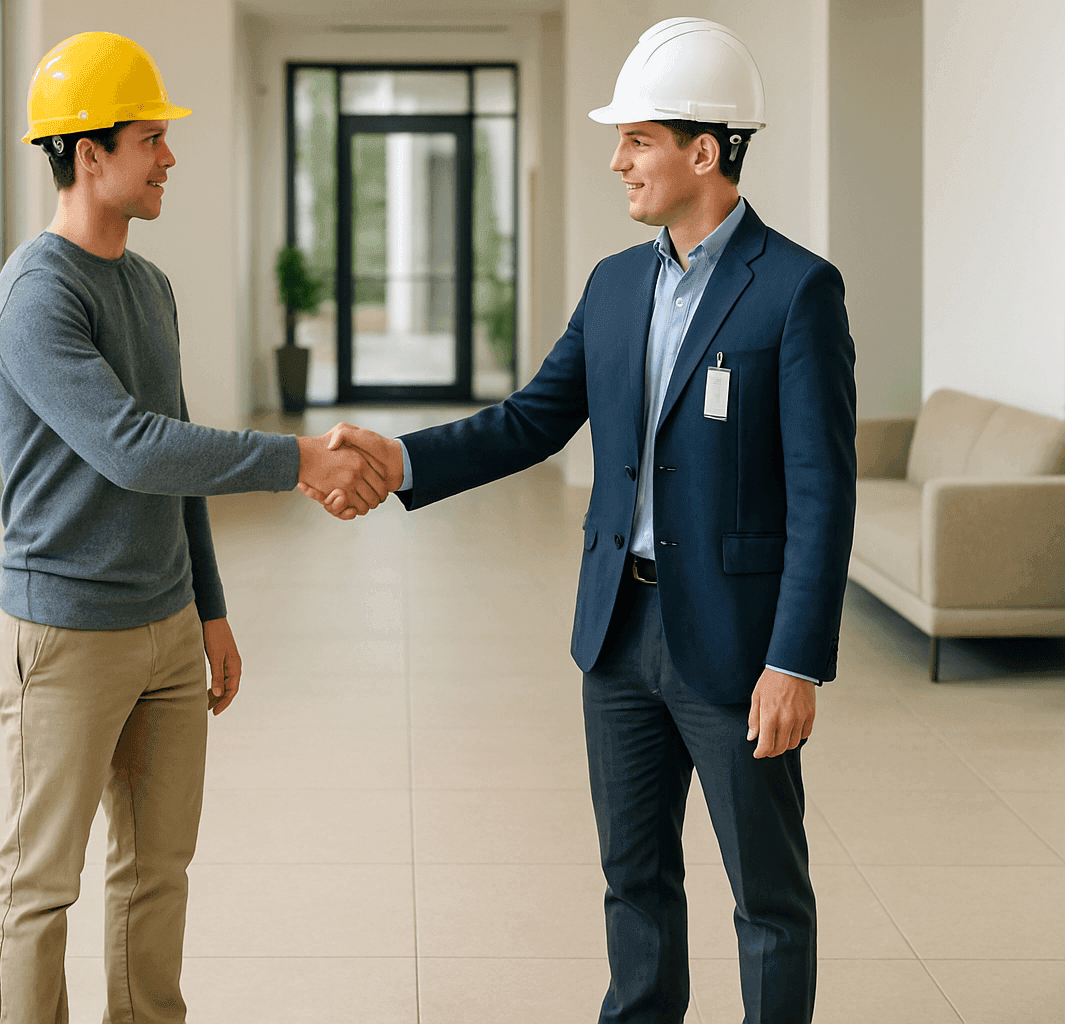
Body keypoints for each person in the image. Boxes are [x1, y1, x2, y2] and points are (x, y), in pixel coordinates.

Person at [311, 18, 856, 1023]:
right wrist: (402, 460)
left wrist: (797, 659)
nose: (617, 162)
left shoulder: (796, 291)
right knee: (633, 881)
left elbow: (824, 490)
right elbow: (530, 421)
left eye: (637, 140)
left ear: (706, 150)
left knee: (768, 899)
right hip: (618, 635)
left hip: (739, 649)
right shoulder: (615, 286)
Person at [0, 31, 389, 1024]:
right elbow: (132, 447)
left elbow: (171, 464)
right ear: (90, 154)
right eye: (151, 139)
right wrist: (296, 457)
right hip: (65, 634)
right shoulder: (36, 299)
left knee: (156, 871)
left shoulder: (150, 287)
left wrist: (208, 608)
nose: (170, 158)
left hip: (165, 628)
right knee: (42, 884)